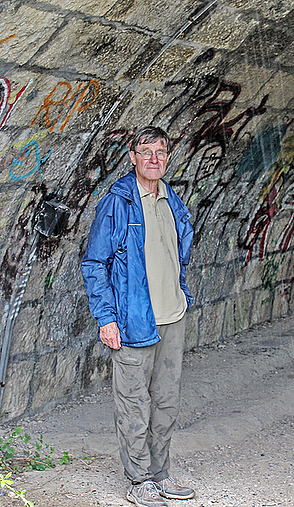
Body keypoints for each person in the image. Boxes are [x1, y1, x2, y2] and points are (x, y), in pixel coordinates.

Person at [81, 126, 195, 507]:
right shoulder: (119, 202)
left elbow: (178, 253)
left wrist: (182, 293)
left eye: (160, 152)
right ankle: (139, 479)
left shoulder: (170, 199)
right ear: (132, 157)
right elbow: (94, 262)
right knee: (133, 403)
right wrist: (105, 317)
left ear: (167, 157)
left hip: (171, 317)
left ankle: (161, 474)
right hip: (133, 321)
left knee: (166, 400)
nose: (153, 159)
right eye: (145, 152)